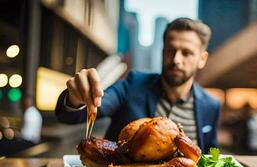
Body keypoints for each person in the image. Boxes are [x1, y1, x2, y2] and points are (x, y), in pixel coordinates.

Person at [55, 18, 220, 153]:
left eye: (186, 53)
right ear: (162, 52)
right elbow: (78, 113)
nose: (176, 60)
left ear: (202, 59)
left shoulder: (211, 105)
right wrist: (76, 99)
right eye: (170, 50)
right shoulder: (134, 84)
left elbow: (211, 156)